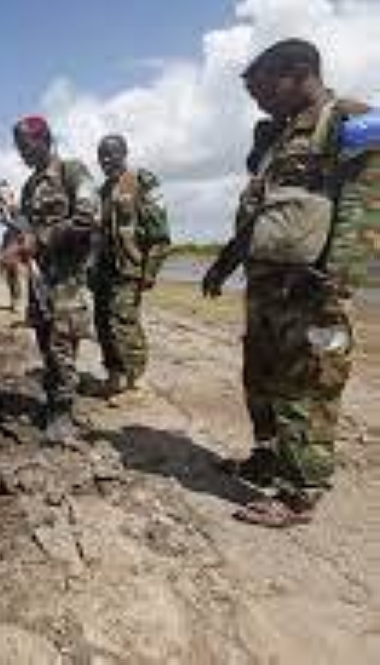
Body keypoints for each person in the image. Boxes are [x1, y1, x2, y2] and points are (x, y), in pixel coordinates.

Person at [204, 39, 373, 527]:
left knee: (307, 386)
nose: (260, 104)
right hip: (268, 287)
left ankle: (300, 493)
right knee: (261, 378)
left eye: (264, 91)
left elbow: (366, 204)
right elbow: (259, 211)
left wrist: (333, 282)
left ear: (298, 73)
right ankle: (270, 458)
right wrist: (225, 262)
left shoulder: (349, 120)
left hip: (311, 290)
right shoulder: (277, 137)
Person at [4, 115, 99, 444]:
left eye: (25, 145)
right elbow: (26, 230)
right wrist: (14, 245)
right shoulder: (30, 187)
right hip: (40, 280)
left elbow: (87, 218)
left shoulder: (72, 171)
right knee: (45, 342)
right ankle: (53, 401)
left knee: (62, 344)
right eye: (18, 147)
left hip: (67, 280)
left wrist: (40, 239)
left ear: (44, 140)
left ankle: (64, 412)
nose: (22, 153)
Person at [92, 134, 170, 397]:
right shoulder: (102, 191)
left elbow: (160, 234)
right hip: (103, 269)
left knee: (124, 321)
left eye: (111, 154)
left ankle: (136, 381)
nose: (105, 160)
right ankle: (114, 377)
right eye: (101, 156)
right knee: (103, 323)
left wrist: (150, 272)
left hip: (129, 268)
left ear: (124, 154)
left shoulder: (142, 181)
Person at [0, 224, 24, 312]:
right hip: (9, 261)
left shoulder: (18, 234)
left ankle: (16, 302)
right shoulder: (6, 235)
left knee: (16, 282)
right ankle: (14, 301)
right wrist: (2, 263)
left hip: (15, 262)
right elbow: (2, 248)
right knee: (11, 282)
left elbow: (23, 247)